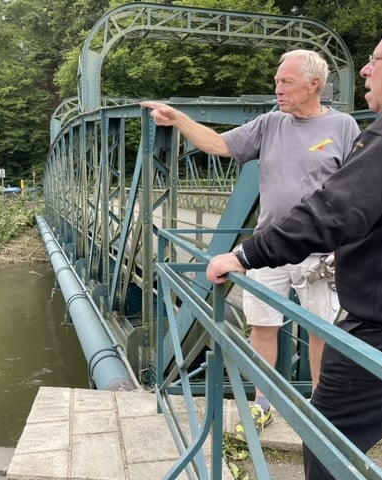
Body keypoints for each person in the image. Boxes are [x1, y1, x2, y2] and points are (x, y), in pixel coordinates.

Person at [206, 8, 382, 479]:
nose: (366, 70)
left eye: (377, 58)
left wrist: (247, 255)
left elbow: (335, 211)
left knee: (328, 446)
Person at [141, 49, 360, 430]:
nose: (278, 88)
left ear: (315, 84)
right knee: (263, 326)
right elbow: (218, 145)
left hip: (320, 253)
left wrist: (348, 246)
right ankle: (263, 403)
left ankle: (320, 407)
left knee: (321, 331)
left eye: (286, 82)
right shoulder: (269, 124)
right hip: (268, 248)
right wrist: (177, 119)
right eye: (277, 81)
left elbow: (357, 192)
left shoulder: (343, 128)